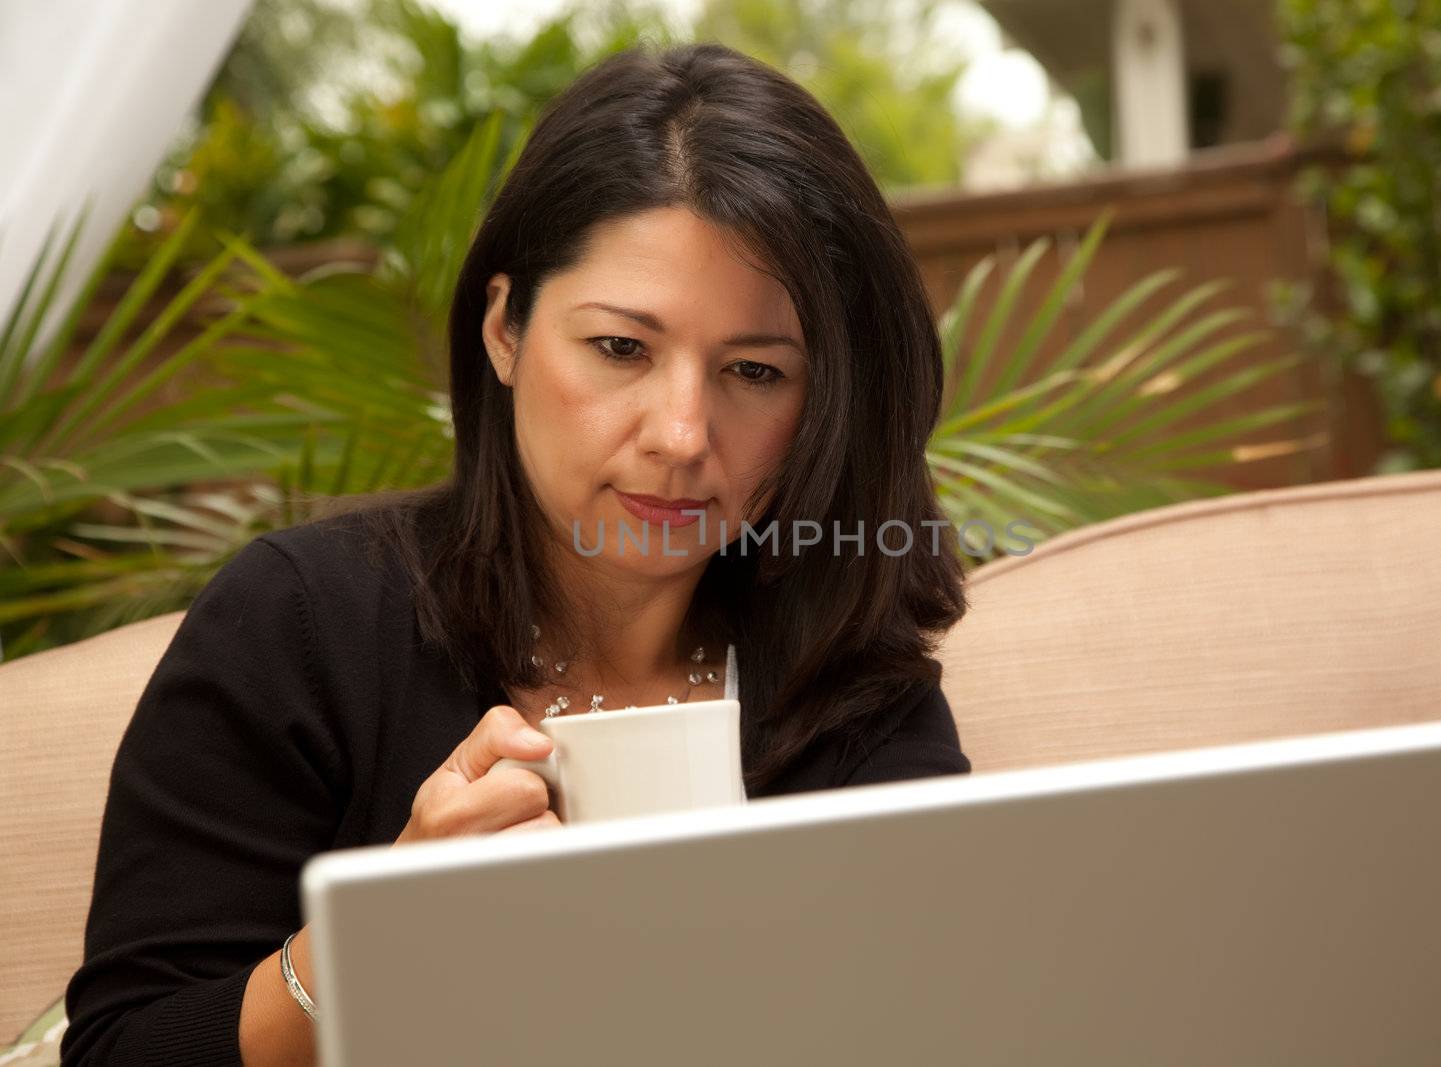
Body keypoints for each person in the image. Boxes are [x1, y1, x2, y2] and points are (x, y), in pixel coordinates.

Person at [60, 39, 971, 1067]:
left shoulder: (854, 689)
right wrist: (381, 935)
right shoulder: (305, 623)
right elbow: (119, 1051)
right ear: (504, 328)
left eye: (754, 371)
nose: (681, 433)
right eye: (620, 348)